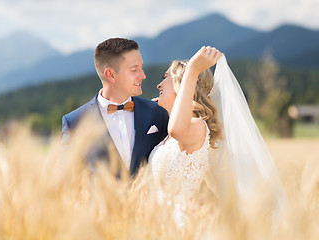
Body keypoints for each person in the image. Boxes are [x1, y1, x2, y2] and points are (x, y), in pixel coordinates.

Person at [149, 46, 286, 228]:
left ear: (181, 84)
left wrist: (192, 70)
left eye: (165, 78)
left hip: (181, 226)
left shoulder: (197, 126)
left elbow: (176, 130)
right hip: (160, 222)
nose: (159, 85)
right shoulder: (171, 132)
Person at [61, 38, 169, 176]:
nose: (143, 75)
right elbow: (67, 178)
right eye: (134, 70)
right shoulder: (74, 122)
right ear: (110, 74)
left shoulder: (157, 112)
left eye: (141, 68)